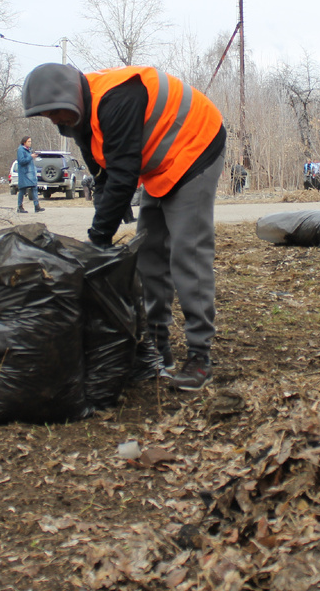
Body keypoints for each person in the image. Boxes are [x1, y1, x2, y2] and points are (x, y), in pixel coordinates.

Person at [22, 63, 226, 391]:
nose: (54, 120)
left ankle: (200, 356)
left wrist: (98, 239)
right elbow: (103, 179)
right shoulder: (78, 121)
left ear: (69, 97)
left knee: (188, 253)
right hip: (160, 163)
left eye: (55, 112)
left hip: (197, 144)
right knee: (148, 257)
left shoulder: (117, 98)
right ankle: (157, 351)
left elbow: (123, 176)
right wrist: (100, 231)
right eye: (47, 117)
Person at [15, 137, 43, 213]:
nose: (30, 143)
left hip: (31, 173)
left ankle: (37, 206)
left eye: (30, 141)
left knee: (34, 188)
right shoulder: (21, 150)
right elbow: (21, 161)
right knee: (22, 190)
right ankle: (20, 207)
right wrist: (30, 157)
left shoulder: (29, 150)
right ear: (24, 142)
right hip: (24, 173)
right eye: (29, 141)